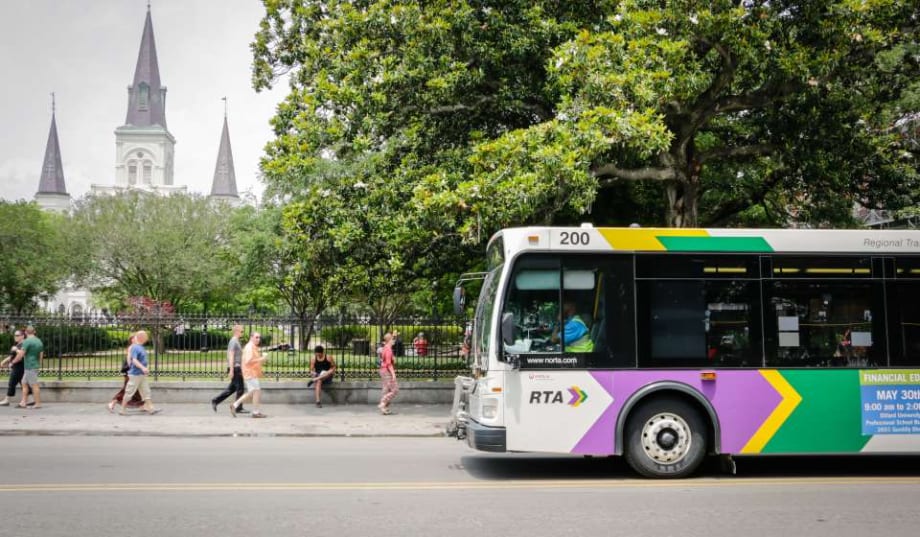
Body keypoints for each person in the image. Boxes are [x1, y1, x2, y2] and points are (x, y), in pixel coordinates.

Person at [120, 330, 161, 415]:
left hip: (141, 374)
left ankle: (151, 409)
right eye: (145, 336)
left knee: (146, 391)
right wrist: (143, 368)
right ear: (141, 337)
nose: (147, 338)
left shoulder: (141, 347)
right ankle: (122, 410)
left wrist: (145, 369)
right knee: (129, 392)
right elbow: (134, 360)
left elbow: (142, 360)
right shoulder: (135, 347)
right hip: (135, 374)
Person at [210, 325, 247, 414]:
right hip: (235, 367)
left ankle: (215, 400)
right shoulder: (233, 341)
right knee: (240, 388)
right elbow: (231, 356)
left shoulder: (236, 341)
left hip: (236, 367)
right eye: (241, 331)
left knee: (232, 388)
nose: (242, 333)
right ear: (236, 331)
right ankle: (238, 408)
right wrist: (231, 370)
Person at [230, 332, 268, 418]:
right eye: (256, 337)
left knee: (252, 392)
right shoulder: (250, 347)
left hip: (251, 372)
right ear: (251, 337)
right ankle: (255, 412)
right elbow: (248, 361)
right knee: (257, 391)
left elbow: (253, 360)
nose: (258, 339)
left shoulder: (252, 347)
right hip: (250, 373)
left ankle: (235, 405)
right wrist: (262, 358)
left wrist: (261, 359)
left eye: (259, 337)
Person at [106, 333, 144, 413]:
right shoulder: (131, 347)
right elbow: (129, 360)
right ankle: (112, 402)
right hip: (130, 371)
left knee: (135, 389)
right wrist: (131, 370)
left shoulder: (135, 347)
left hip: (133, 371)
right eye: (135, 338)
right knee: (127, 389)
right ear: (131, 340)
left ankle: (142, 406)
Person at [17, 326, 44, 409]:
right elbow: (41, 355)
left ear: (25, 332)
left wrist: (14, 361)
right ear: (34, 331)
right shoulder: (39, 341)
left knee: (34, 385)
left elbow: (21, 354)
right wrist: (39, 364)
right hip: (34, 365)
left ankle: (38, 403)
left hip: (29, 366)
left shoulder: (27, 341)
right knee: (24, 382)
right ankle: (23, 402)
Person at [0, 330, 25, 406]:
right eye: (15, 335)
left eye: (17, 335)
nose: (15, 337)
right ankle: (29, 399)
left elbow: (22, 355)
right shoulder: (17, 345)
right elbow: (11, 356)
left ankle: (7, 400)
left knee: (12, 383)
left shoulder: (23, 345)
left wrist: (16, 350)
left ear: (22, 336)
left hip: (19, 366)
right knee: (23, 383)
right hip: (17, 366)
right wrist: (3, 361)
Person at [377, 332, 398, 415]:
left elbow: (386, 359)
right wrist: (393, 374)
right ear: (389, 340)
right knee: (395, 390)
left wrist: (393, 335)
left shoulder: (386, 347)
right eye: (393, 339)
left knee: (386, 389)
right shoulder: (388, 349)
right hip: (386, 371)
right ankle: (382, 403)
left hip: (382, 370)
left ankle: (385, 408)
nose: (394, 341)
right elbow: (389, 364)